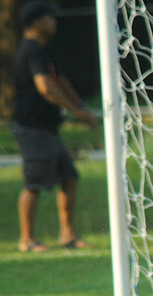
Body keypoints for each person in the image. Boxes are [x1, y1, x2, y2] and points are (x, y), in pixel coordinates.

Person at [12, 1, 96, 253]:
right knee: (34, 183)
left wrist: (82, 108)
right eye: (50, 18)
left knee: (69, 177)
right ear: (37, 22)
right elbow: (46, 87)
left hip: (48, 128)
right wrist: (74, 111)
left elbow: (60, 80)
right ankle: (27, 240)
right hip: (31, 128)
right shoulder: (30, 51)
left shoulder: (43, 51)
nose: (54, 22)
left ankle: (67, 235)